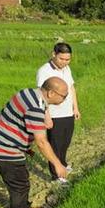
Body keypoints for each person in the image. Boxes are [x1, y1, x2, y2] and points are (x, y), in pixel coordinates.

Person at [0, 77, 69, 208]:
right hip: (4, 151)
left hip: (0, 144)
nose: (65, 98)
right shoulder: (35, 108)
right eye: (64, 96)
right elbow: (42, 142)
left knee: (21, 180)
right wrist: (58, 164)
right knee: (19, 187)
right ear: (51, 93)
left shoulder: (29, 93)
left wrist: (25, 145)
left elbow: (20, 120)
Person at [36, 42, 80, 182]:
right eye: (62, 59)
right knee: (55, 145)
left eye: (68, 59)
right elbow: (41, 95)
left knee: (65, 142)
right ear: (54, 54)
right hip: (54, 114)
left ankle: (63, 164)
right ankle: (56, 175)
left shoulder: (66, 69)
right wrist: (46, 116)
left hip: (68, 112)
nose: (65, 62)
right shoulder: (44, 71)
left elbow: (71, 88)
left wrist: (76, 107)